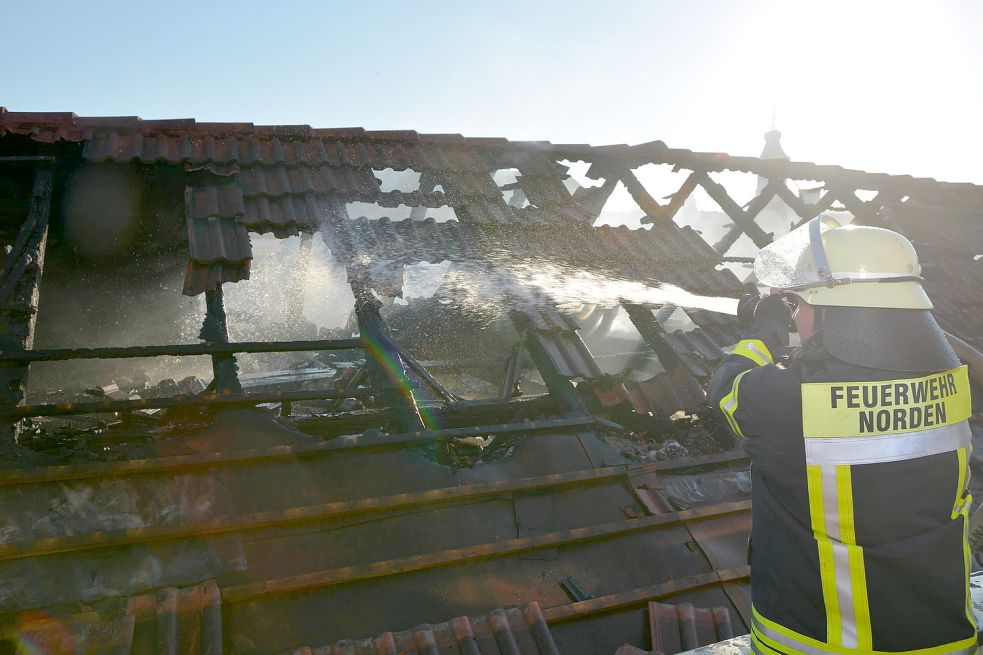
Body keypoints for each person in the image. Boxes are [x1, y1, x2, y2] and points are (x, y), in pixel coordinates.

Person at [709, 216, 977, 655]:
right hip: (942, 638)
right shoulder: (951, 381)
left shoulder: (794, 398)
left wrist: (767, 328)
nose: (798, 315)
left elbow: (727, 390)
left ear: (833, 308)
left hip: (819, 642)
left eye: (800, 303)